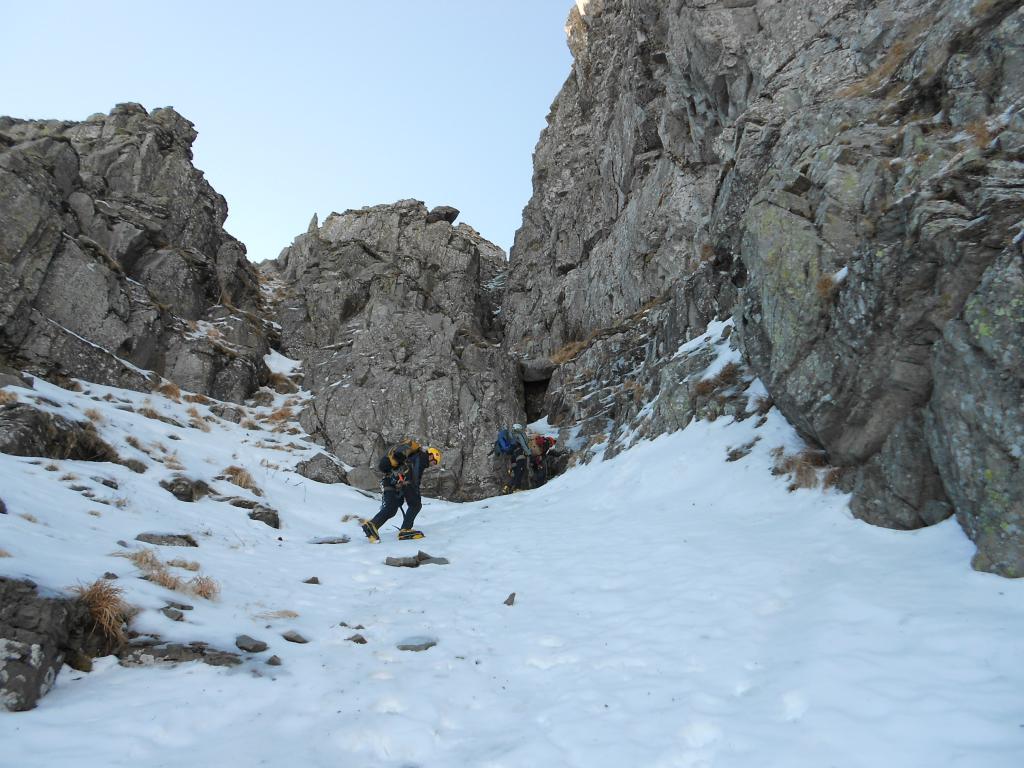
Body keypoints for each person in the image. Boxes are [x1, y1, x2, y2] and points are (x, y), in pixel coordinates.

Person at [361, 441, 442, 542]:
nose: (432, 465)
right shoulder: (422, 457)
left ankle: (372, 525)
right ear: (430, 456)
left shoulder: (411, 456)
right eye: (434, 462)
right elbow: (414, 475)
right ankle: (405, 530)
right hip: (403, 481)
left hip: (389, 480)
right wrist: (414, 490)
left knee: (391, 508)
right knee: (416, 504)